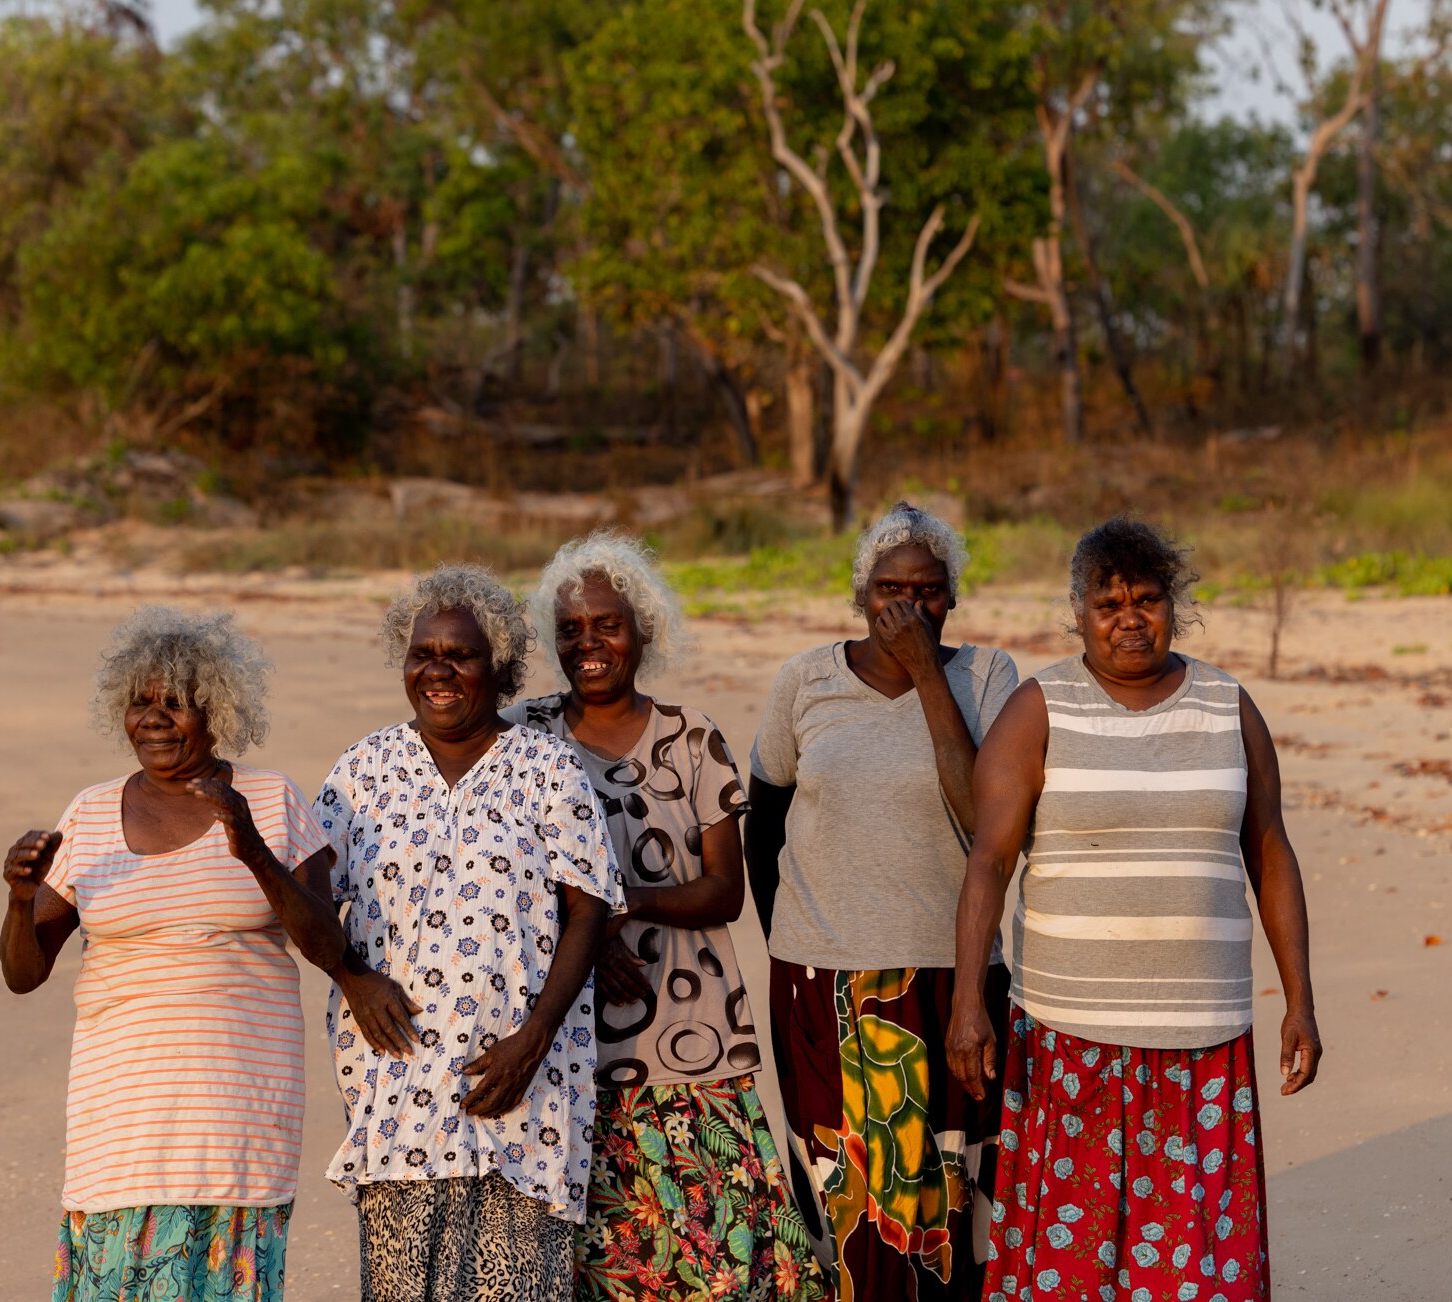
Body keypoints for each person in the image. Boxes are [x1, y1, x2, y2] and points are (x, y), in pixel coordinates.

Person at [948, 517, 1324, 1302]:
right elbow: (988, 862)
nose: (1129, 618)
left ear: (1173, 606)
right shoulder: (1038, 710)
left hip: (1203, 1039)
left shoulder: (1228, 707)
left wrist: (1301, 1003)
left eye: (1147, 600)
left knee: (1200, 1267)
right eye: (1108, 602)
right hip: (1069, 1036)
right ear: (1079, 611)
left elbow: (1270, 853)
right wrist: (965, 1005)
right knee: (1070, 1268)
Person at [507, 532, 827, 1302]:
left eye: (607, 625)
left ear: (643, 629)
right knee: (612, 1263)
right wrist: (578, 932)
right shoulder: (522, 736)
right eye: (571, 628)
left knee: (722, 1260)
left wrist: (613, 908)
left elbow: (724, 891)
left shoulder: (691, 737)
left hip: (696, 1039)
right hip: (569, 1035)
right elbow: (504, 881)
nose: (589, 643)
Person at [0, 605, 345, 1302]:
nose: (154, 719)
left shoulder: (271, 799)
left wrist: (253, 853)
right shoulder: (90, 814)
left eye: (177, 703)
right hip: (120, 1117)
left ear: (216, 708)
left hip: (237, 1117)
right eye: (140, 703)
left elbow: (329, 945)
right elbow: (23, 974)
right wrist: (18, 897)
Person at [305, 564, 628, 1302]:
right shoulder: (363, 769)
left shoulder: (546, 766)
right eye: (423, 654)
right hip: (396, 1085)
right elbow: (311, 899)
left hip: (524, 1086)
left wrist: (538, 1035)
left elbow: (589, 908)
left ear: (500, 668)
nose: (438, 670)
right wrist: (351, 977)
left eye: (461, 655)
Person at [748, 502, 1021, 1302]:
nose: (908, 607)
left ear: (953, 598)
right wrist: (801, 944)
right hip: (821, 982)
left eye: (929, 590)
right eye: (889, 589)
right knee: (842, 1193)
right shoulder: (804, 681)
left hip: (954, 980)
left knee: (951, 1188)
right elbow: (764, 831)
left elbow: (985, 822)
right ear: (861, 594)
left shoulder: (988, 678)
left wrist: (928, 672)